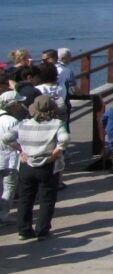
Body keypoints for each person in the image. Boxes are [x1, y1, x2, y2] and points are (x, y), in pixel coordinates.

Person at [1, 94, 70, 240]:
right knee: (46, 199)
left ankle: (24, 230)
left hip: (27, 164)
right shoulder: (56, 124)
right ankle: (42, 231)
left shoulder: (24, 123)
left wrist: (20, 150)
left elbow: (6, 138)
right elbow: (64, 139)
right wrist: (54, 154)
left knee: (25, 198)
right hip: (47, 165)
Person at [0, 91, 28, 223]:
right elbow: (19, 141)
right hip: (8, 159)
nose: (21, 105)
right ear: (13, 104)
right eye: (19, 103)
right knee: (9, 187)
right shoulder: (12, 121)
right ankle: (3, 215)